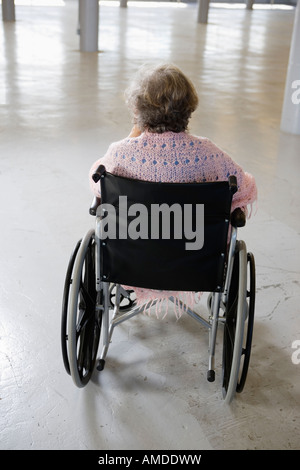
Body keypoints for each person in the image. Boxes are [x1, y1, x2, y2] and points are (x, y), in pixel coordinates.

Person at [89, 63, 257, 315]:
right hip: (195, 261)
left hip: (132, 261)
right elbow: (244, 187)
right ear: (188, 107)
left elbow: (97, 181)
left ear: (138, 109)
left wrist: (130, 136)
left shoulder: (120, 153)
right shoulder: (210, 154)